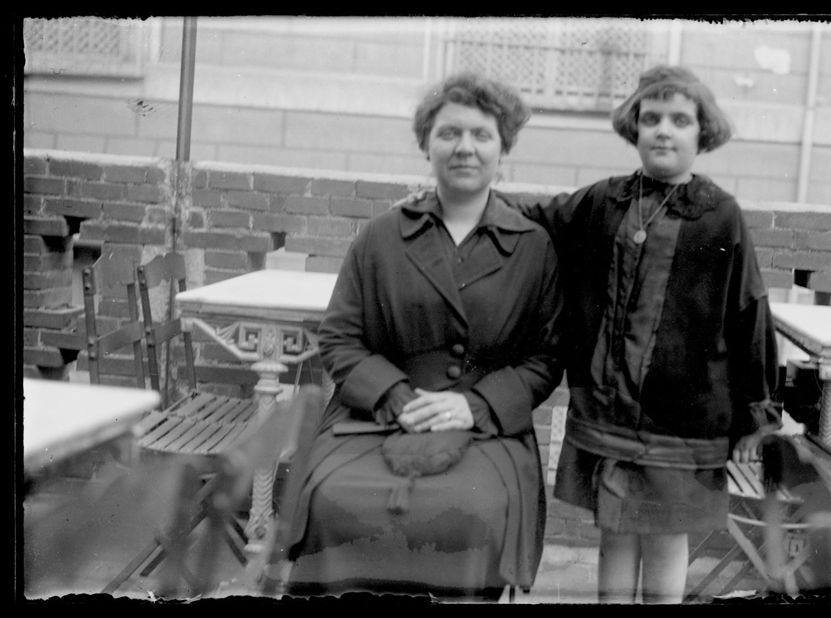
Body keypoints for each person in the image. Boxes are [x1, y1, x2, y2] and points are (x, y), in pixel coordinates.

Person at [401, 64, 780, 604]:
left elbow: (749, 316)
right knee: (616, 530)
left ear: (703, 133)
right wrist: (447, 202)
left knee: (666, 538)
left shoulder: (720, 217)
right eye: (651, 119)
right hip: (607, 412)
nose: (664, 131)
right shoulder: (605, 201)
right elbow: (535, 219)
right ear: (634, 128)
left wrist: (755, 413)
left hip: (682, 418)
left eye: (679, 120)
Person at [280, 72, 564, 601]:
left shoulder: (532, 247)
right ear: (425, 145)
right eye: (449, 133)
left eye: (482, 136)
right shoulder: (382, 236)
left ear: (504, 150)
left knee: (473, 511)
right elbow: (340, 337)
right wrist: (395, 396)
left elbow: (545, 358)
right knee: (332, 501)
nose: (465, 148)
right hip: (375, 418)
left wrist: (473, 406)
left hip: (486, 430)